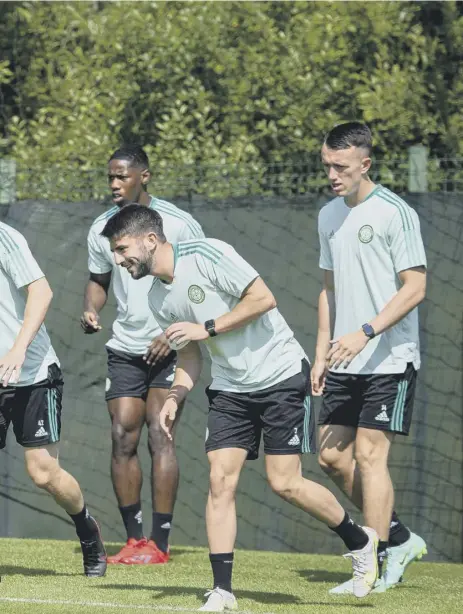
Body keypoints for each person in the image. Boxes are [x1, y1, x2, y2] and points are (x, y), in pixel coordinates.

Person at [101, 204, 379, 610]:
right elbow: (192, 355)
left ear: (150, 240)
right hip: (230, 389)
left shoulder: (208, 254)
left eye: (123, 248)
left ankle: (359, 540)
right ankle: (223, 591)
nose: (119, 260)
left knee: (284, 483)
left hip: (281, 375)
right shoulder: (158, 296)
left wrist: (208, 326)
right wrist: (177, 395)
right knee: (219, 480)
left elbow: (263, 298)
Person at [311, 121, 428, 594]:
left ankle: (374, 561)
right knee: (330, 457)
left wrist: (366, 331)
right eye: (326, 166)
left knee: (370, 455)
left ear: (366, 164)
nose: (332, 175)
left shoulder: (394, 213)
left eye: (341, 166)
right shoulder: (327, 215)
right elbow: (328, 290)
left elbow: (416, 287)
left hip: (389, 356)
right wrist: (320, 354)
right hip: (344, 358)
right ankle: (397, 537)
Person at [80, 145, 204, 565]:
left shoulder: (179, 224)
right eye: (110, 176)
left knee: (160, 433)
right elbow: (98, 278)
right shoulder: (102, 227)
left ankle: (161, 543)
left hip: (171, 348)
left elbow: (198, 283)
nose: (114, 183)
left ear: (144, 176)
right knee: (121, 436)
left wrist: (172, 335)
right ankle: (135, 542)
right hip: (125, 348)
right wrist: (92, 308)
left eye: (122, 176)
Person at [0, 221, 106, 577]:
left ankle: (87, 529)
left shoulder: (4, 236)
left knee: (43, 473)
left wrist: (17, 349)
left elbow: (41, 293)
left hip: (33, 375)